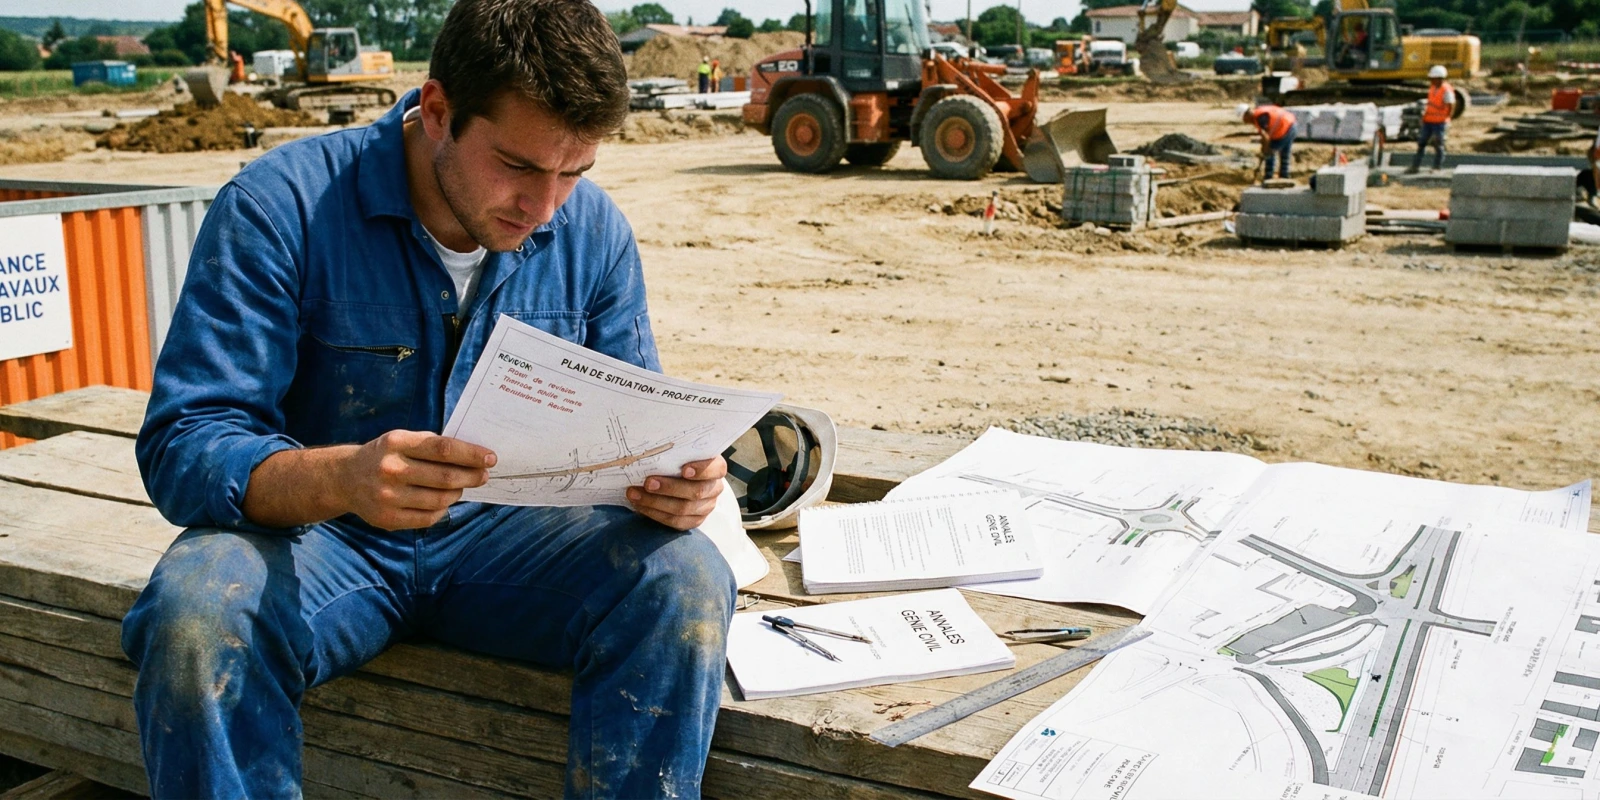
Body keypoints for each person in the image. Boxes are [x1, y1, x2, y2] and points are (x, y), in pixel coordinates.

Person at [121, 0, 737, 798]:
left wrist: (675, 485)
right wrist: (343, 478)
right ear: (438, 110)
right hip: (323, 545)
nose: (545, 207)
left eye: (574, 173)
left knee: (685, 578)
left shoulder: (593, 234)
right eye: (517, 166)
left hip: (512, 551)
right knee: (200, 606)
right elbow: (186, 442)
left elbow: (636, 429)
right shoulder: (281, 207)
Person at [1409, 65, 1456, 174]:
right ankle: (1415, 166)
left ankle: (1437, 167)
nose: (1431, 80)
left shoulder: (1446, 90)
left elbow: (1451, 105)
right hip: (1428, 121)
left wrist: (1447, 118)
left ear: (1440, 78)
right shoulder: (1433, 88)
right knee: (1421, 143)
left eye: (1433, 78)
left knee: (1438, 144)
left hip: (1439, 122)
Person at [1239, 102, 1297, 182]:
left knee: (1270, 152)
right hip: (1291, 124)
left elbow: (1266, 137)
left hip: (1284, 128)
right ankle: (1284, 175)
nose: (1245, 122)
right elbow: (1265, 135)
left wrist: (1265, 150)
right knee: (1285, 153)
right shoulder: (1259, 113)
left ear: (1246, 115)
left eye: (1244, 119)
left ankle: (1269, 176)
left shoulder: (1260, 117)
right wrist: (1263, 146)